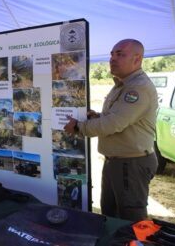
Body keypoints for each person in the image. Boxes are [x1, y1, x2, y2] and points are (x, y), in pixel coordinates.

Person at [64, 39, 158, 221]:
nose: (112, 59)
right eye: (112, 54)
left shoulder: (138, 88)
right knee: (110, 214)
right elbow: (116, 118)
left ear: (137, 59)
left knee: (131, 220)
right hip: (117, 162)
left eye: (120, 54)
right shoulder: (122, 85)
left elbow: (115, 123)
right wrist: (97, 116)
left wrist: (79, 127)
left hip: (131, 164)